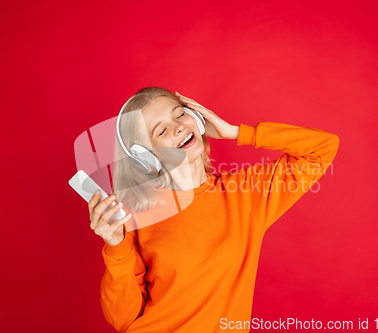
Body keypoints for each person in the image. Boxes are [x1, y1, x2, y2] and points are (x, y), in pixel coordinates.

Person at [89, 87, 340, 332]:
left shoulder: (244, 194)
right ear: (146, 157)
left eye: (180, 114)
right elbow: (123, 320)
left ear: (197, 118)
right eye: (162, 130)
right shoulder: (134, 217)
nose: (178, 127)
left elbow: (321, 149)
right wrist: (115, 244)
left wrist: (236, 132)